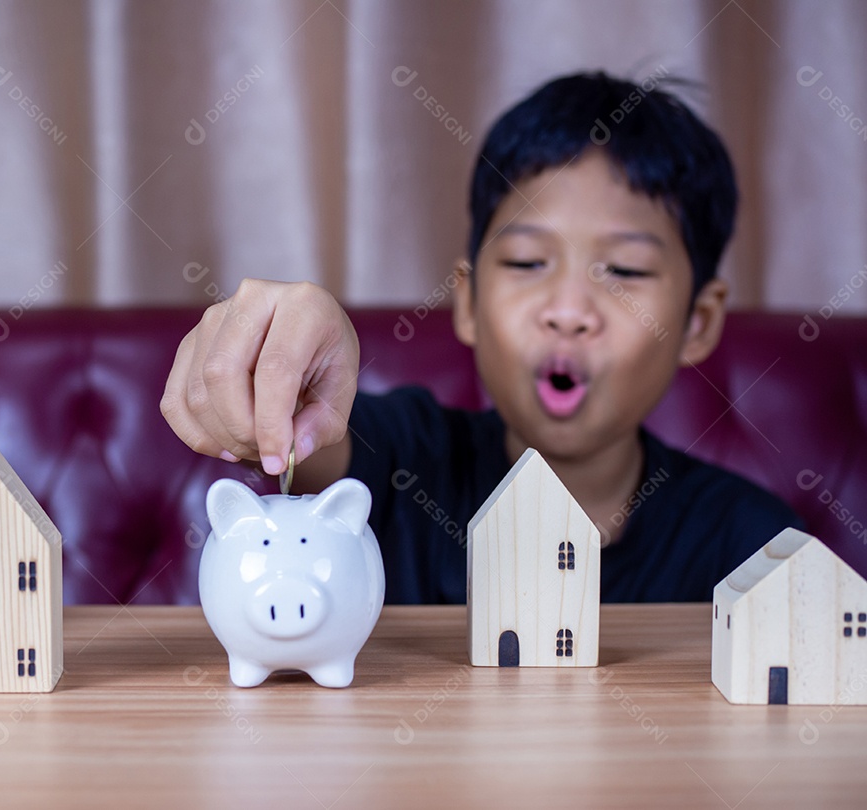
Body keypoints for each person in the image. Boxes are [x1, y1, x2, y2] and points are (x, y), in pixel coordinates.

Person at [161, 71, 802, 604]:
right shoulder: (405, 459)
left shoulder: (748, 543)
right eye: (527, 262)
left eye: (626, 272)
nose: (568, 310)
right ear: (466, 302)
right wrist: (272, 374)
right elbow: (314, 443)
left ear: (698, 321)